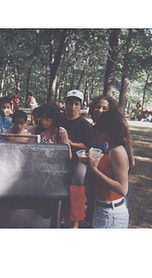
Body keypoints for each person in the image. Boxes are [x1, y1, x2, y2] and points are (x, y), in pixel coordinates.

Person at [87, 110, 134, 228]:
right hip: (102, 209)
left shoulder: (118, 151)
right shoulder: (109, 148)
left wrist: (95, 171)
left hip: (111, 213)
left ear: (108, 130)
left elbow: (123, 189)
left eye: (99, 128)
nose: (96, 130)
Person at [60, 89, 91, 228]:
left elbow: (88, 144)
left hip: (77, 160)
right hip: (59, 159)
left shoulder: (84, 124)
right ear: (65, 104)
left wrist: (71, 144)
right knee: (59, 187)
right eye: (70, 103)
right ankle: (60, 218)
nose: (73, 107)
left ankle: (75, 224)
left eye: (76, 104)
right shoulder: (59, 120)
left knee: (76, 190)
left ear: (80, 106)